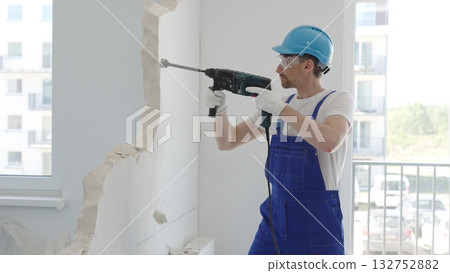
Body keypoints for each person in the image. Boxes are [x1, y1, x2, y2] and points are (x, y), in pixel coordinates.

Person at [205, 25, 355, 255]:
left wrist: (280, 108)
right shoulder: (279, 103)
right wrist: (220, 109)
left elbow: (330, 140)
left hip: (317, 224)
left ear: (308, 65)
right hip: (275, 222)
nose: (278, 68)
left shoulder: (336, 101)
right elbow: (227, 141)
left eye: (286, 61)